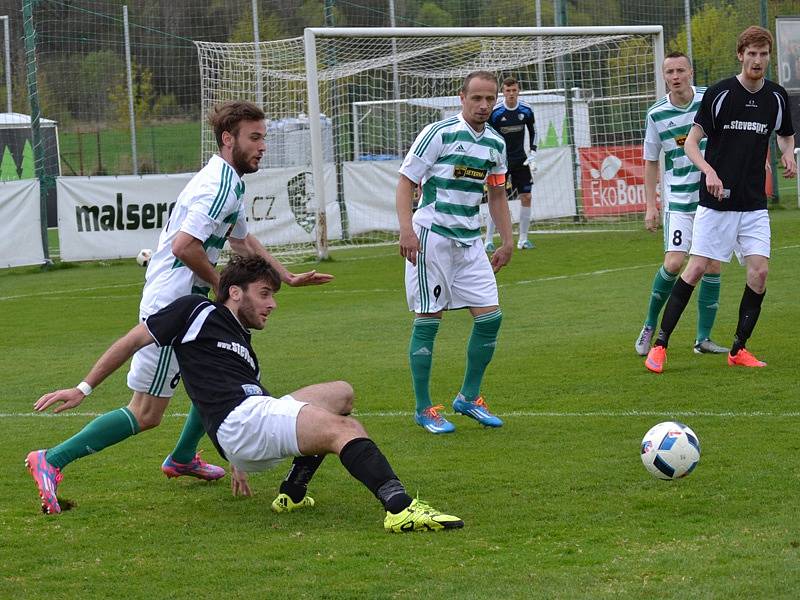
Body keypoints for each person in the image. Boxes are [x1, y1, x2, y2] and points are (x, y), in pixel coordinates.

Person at [25, 100, 333, 510]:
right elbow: (185, 247)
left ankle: (184, 457)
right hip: (174, 303)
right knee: (147, 412)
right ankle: (51, 458)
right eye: (254, 138)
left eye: (264, 138)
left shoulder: (230, 182)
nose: (263, 147)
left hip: (192, 299)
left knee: (217, 371)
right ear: (229, 140)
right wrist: (223, 286)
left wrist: (287, 276)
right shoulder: (217, 185)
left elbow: (243, 240)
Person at [27, 257, 463, 533]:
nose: (272, 304)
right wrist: (82, 388)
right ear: (234, 292)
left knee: (341, 395)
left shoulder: (243, 347)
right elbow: (131, 341)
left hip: (250, 421)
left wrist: (235, 456)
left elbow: (206, 395)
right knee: (342, 429)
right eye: (265, 294)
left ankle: (292, 491)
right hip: (244, 424)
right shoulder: (196, 310)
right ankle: (400, 507)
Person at [645, 26, 796, 373]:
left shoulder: (775, 97)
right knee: (695, 268)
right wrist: (709, 171)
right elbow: (690, 143)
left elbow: (785, 136)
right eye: (752, 54)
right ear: (740, 56)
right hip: (716, 203)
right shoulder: (720, 94)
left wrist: (788, 155)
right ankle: (661, 345)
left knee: (759, 274)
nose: (757, 60)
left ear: (769, 57)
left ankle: (738, 349)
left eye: (763, 54)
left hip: (754, 204)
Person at [396, 70, 513, 434]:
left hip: (470, 241)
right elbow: (406, 182)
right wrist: (405, 228)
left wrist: (507, 240)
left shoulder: (495, 143)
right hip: (431, 237)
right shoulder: (439, 133)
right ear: (461, 97)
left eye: (489, 99)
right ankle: (423, 407)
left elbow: (496, 194)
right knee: (430, 320)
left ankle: (468, 397)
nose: (483, 105)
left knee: (490, 317)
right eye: (476, 98)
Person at [634, 52, 729, 357]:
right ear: (664, 77)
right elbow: (650, 162)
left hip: (712, 198)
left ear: (691, 72)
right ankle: (650, 324)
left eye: (680, 70)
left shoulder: (710, 99)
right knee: (674, 263)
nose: (675, 76)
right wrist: (651, 205)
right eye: (669, 72)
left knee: (712, 264)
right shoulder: (656, 114)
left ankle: (703, 339)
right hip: (679, 199)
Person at [485, 76, 538, 251]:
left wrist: (533, 153)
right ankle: (488, 240)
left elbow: (533, 131)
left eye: (514, 90)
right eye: (508, 91)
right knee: (496, 197)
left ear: (518, 90)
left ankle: (523, 239)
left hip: (520, 160)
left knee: (527, 196)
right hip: (500, 162)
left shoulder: (526, 110)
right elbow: (487, 133)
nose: (511, 94)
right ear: (503, 92)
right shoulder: (497, 112)